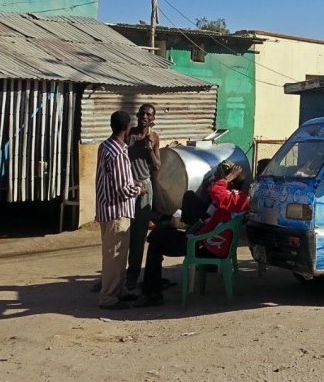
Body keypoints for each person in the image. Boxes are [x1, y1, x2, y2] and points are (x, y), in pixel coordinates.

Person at [133, 161, 248, 307]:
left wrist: (227, 178)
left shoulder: (232, 199)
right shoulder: (241, 197)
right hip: (208, 242)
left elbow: (216, 190)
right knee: (158, 236)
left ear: (230, 182)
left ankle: (151, 292)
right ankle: (152, 289)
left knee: (156, 239)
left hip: (204, 245)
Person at [95, 110, 146, 310]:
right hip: (117, 211)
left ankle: (118, 291)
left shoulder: (105, 146)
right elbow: (121, 188)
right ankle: (108, 298)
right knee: (114, 257)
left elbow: (112, 178)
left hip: (106, 208)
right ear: (127, 128)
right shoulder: (117, 152)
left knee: (117, 255)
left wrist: (130, 182)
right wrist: (138, 189)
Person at [125, 103, 161, 290]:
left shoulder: (153, 138)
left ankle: (132, 276)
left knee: (138, 236)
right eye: (142, 113)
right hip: (126, 188)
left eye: (148, 115)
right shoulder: (128, 134)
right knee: (121, 234)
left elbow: (156, 167)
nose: (144, 117)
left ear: (153, 119)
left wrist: (148, 149)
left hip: (144, 190)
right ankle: (114, 275)